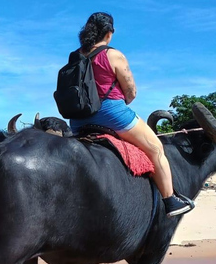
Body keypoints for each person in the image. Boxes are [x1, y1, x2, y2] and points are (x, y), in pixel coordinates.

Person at [69, 12, 194, 217]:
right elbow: (131, 92)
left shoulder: (75, 56)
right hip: (111, 113)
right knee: (156, 149)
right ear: (109, 33)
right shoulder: (113, 54)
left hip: (77, 119)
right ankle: (170, 200)